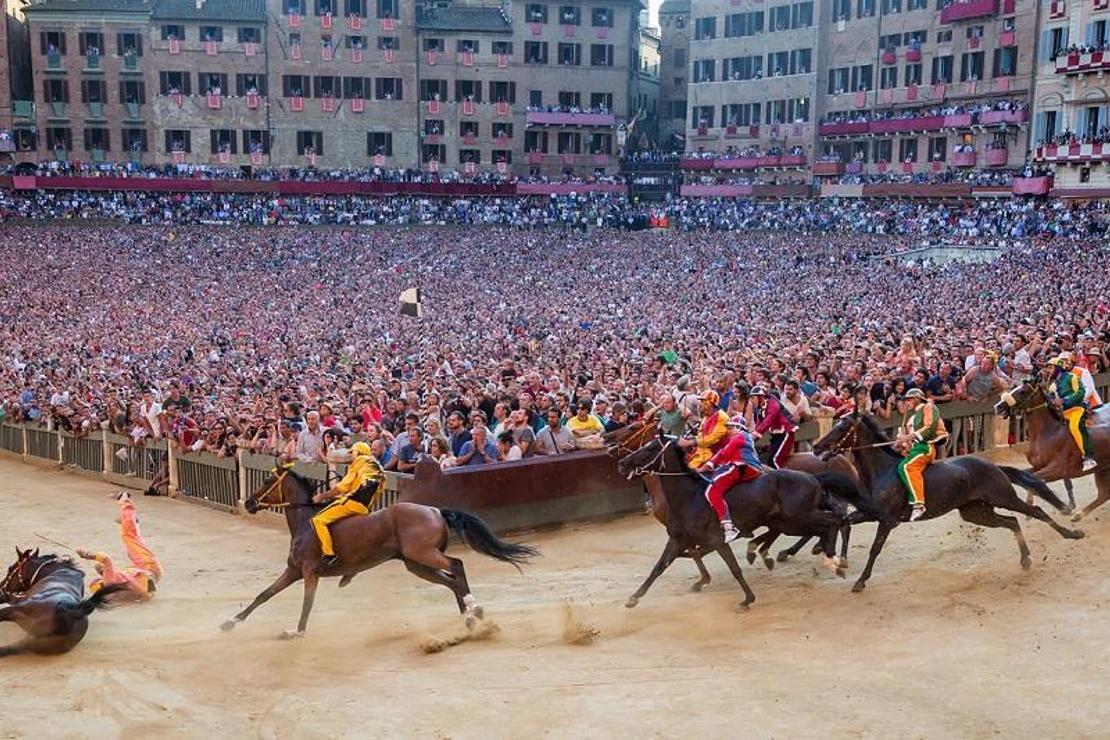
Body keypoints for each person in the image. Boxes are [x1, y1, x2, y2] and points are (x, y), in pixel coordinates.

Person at [310, 441, 385, 572]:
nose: (350, 456)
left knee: (317, 520)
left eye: (352, 453)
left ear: (358, 453)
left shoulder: (359, 461)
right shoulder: (377, 467)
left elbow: (341, 487)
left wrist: (321, 496)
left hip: (352, 503)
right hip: (366, 509)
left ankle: (329, 555)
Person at [76, 491, 161, 601]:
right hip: (148, 567)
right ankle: (124, 500)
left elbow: (147, 591)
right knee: (129, 536)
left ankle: (133, 523)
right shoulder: (109, 580)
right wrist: (88, 555)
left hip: (150, 577)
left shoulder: (117, 593)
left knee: (132, 546)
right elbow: (105, 559)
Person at [696, 421, 763, 542]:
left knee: (711, 492)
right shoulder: (745, 437)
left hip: (741, 466)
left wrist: (704, 467)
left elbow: (723, 454)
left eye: (730, 428)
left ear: (738, 428)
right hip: (751, 468)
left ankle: (729, 528)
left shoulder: (738, 437)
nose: (728, 431)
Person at [895, 388, 948, 520]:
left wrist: (907, 437)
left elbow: (929, 428)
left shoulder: (929, 407)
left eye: (909, 400)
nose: (907, 403)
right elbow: (910, 442)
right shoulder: (911, 419)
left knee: (907, 467)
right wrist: (902, 442)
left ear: (917, 398)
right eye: (906, 401)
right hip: (916, 448)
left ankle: (918, 504)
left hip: (926, 447)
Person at [1048, 356, 1097, 472]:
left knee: (1075, 427)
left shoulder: (1072, 377)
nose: (1048, 371)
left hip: (1077, 409)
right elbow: (1052, 400)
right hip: (1063, 412)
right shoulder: (1052, 386)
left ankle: (1088, 457)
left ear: (1058, 368)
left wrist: (1064, 401)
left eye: (1050, 368)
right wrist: (1053, 403)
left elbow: (1081, 393)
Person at [680, 390, 730, 468]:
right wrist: (692, 438)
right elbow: (701, 436)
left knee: (691, 468)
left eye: (702, 401)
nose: (699, 404)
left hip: (716, 453)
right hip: (702, 451)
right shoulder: (706, 417)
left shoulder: (722, 417)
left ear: (709, 403)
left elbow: (712, 439)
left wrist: (691, 442)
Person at [750, 385, 796, 469]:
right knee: (766, 457)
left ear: (761, 397)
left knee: (774, 460)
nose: (751, 400)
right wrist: (752, 437)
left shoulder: (773, 404)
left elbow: (768, 421)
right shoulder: (760, 408)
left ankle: (780, 479)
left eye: (753, 398)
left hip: (786, 432)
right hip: (776, 434)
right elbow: (759, 424)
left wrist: (755, 435)